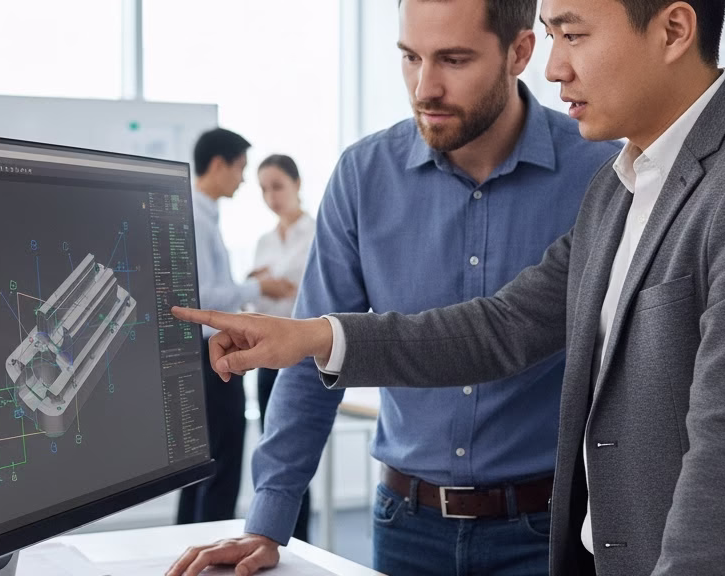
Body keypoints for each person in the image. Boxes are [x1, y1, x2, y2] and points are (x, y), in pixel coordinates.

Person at [172, 0, 725, 574]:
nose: (557, 67)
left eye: (575, 34)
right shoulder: (622, 187)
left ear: (674, 31)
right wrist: (315, 336)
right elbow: (501, 328)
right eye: (555, 37)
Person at [165, 0, 619, 573]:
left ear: (520, 53)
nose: (425, 87)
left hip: (546, 529)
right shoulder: (363, 176)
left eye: (453, 59)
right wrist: (268, 520)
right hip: (406, 526)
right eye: (411, 57)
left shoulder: (599, 173)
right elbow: (309, 357)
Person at [177, 128, 297, 525]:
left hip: (209, 357)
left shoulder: (201, 214)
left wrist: (246, 283)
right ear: (218, 165)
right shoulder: (198, 216)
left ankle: (188, 547)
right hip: (209, 360)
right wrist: (259, 285)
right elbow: (204, 299)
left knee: (200, 467)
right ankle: (205, 549)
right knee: (218, 467)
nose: (243, 181)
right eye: (241, 169)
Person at [250, 154, 316, 542]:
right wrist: (271, 286)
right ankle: (270, 533)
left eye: (277, 186)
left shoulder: (317, 232)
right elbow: (261, 299)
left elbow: (309, 293)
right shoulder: (263, 241)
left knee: (296, 451)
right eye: (263, 189)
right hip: (265, 355)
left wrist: (269, 283)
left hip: (302, 355)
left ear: (296, 184)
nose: (271, 196)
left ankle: (300, 541)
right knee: (270, 450)